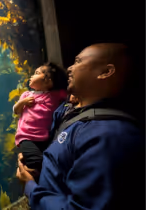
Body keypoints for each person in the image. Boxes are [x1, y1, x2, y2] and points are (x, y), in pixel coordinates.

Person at [16, 43, 145, 209]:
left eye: (78, 61)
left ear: (106, 72)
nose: (69, 68)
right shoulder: (69, 111)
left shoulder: (107, 135)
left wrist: (31, 189)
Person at [12, 62, 67, 182]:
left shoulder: (55, 95)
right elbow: (16, 110)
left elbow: (68, 93)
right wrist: (22, 102)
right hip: (26, 137)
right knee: (36, 162)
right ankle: (36, 184)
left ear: (49, 81)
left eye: (37, 73)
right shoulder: (26, 95)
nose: (31, 76)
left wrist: (73, 96)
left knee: (46, 159)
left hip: (45, 137)